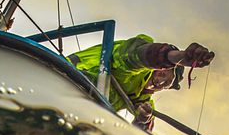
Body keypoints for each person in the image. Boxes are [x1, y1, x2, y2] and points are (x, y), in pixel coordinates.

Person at [68, 34, 215, 130]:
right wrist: (177, 56)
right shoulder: (134, 68)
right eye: (162, 72)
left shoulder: (145, 103)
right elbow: (132, 56)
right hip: (67, 74)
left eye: (166, 82)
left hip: (78, 114)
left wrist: (142, 120)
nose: (159, 80)